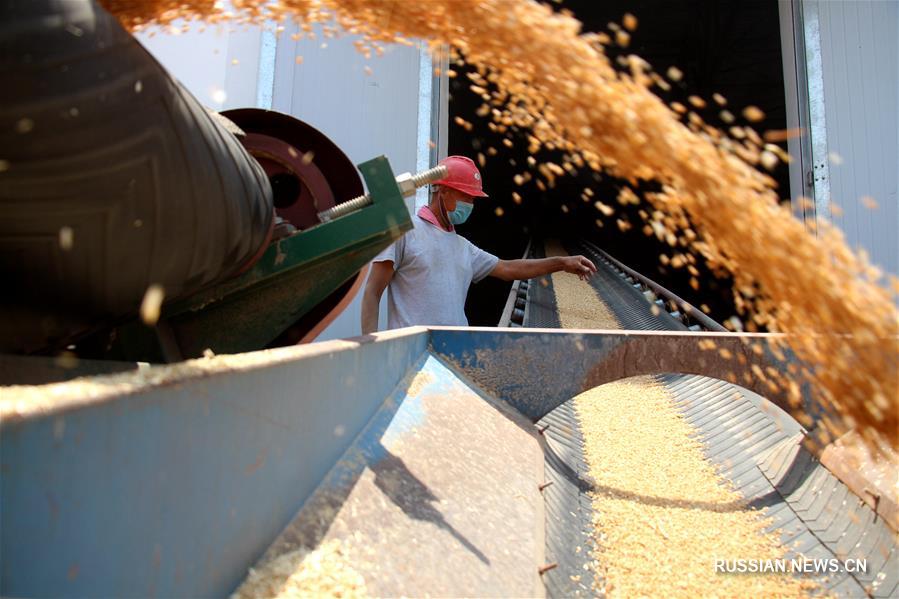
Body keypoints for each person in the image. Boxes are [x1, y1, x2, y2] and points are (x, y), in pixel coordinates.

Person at [361, 155, 597, 334]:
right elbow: (372, 292)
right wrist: (372, 348)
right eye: (467, 196)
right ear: (443, 191)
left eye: (473, 199)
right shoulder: (404, 231)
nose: (471, 204)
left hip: (455, 353)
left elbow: (507, 269)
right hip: (410, 355)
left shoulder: (463, 247)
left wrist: (560, 263)